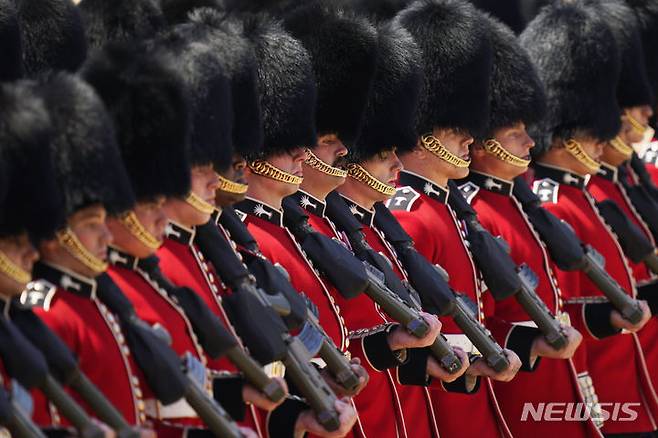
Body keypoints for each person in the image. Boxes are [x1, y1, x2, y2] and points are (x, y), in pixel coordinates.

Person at [521, 2, 657, 435]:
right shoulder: (555, 203)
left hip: (638, 387)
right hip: (601, 400)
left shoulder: (594, 192)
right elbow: (563, 310)